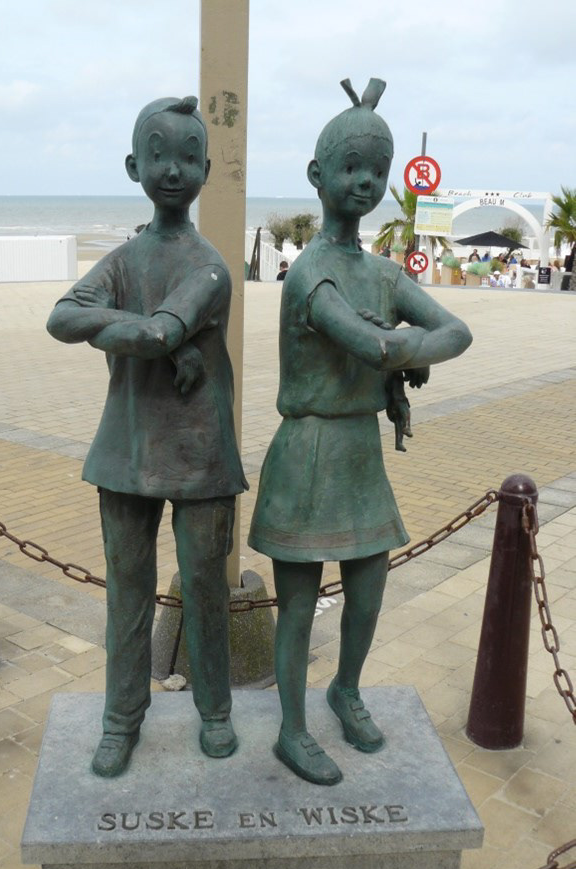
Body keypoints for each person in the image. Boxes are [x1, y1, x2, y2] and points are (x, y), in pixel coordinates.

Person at [248, 77, 472, 786]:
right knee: (299, 603)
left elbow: (456, 331)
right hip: (309, 451)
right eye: (351, 167)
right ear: (317, 175)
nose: (366, 182)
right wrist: (403, 350)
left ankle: (345, 689)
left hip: (358, 454)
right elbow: (369, 342)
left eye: (378, 169)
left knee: (369, 587)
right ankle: (291, 728)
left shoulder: (381, 273)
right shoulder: (310, 273)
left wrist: (401, 350)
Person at [47, 96, 248, 777]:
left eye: (188, 157)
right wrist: (154, 339)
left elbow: (159, 329)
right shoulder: (124, 259)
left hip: (200, 453)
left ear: (206, 171)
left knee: (206, 589)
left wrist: (137, 332)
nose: (173, 170)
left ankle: (215, 711)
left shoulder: (210, 267)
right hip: (127, 450)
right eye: (158, 155)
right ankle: (120, 719)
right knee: (126, 595)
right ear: (134, 165)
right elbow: (60, 317)